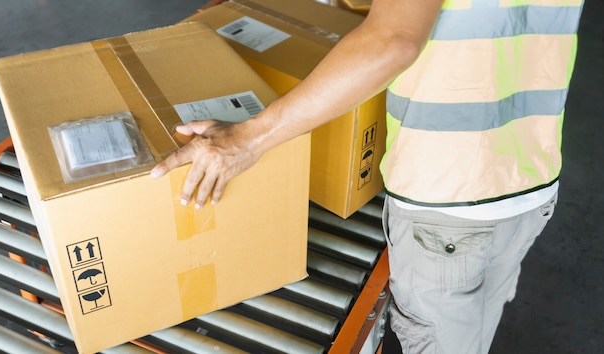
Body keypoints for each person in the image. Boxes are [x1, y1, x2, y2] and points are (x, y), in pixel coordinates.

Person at [150, 0, 584, 352]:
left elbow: (393, 41)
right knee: (472, 332)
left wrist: (248, 138)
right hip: (531, 176)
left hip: (450, 197)